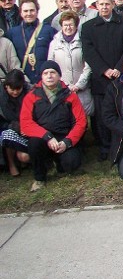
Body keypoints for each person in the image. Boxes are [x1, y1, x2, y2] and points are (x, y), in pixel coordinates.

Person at [81, 0, 123, 160]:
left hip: (121, 76)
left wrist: (119, 68)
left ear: (113, 4)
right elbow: (89, 53)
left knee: (122, 112)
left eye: (107, 4)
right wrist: (105, 70)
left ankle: (122, 143)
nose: (104, 7)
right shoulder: (88, 27)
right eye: (101, 4)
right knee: (102, 115)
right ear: (96, 6)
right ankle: (104, 148)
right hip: (100, 78)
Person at [21, 60, 87, 192]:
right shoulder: (31, 96)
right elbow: (25, 122)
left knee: (72, 163)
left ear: (59, 76)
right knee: (34, 145)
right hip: (42, 138)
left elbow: (81, 122)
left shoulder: (70, 95)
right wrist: (47, 136)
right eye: (45, 73)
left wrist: (67, 142)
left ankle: (58, 163)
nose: (49, 76)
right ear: (41, 76)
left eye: (53, 72)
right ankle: (39, 178)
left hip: (64, 136)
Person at [47, 10, 94, 116]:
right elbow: (51, 65)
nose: (68, 28)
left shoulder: (83, 41)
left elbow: (88, 65)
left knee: (83, 119)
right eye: (65, 25)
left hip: (82, 88)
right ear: (61, 26)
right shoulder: (54, 43)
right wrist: (63, 84)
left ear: (76, 25)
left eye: (71, 24)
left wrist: (79, 85)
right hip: (62, 88)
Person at [6, 0, 56, 84]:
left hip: (45, 81)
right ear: (21, 13)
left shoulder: (49, 30)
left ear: (37, 11)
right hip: (22, 83)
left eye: (32, 10)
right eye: (25, 11)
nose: (29, 14)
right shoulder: (12, 33)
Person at [0, 70, 30, 177]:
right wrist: (15, 127)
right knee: (6, 135)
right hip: (9, 127)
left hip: (29, 130)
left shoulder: (30, 93)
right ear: (6, 86)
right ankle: (11, 165)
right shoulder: (1, 98)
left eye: (18, 89)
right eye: (12, 89)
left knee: (25, 157)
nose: (15, 92)